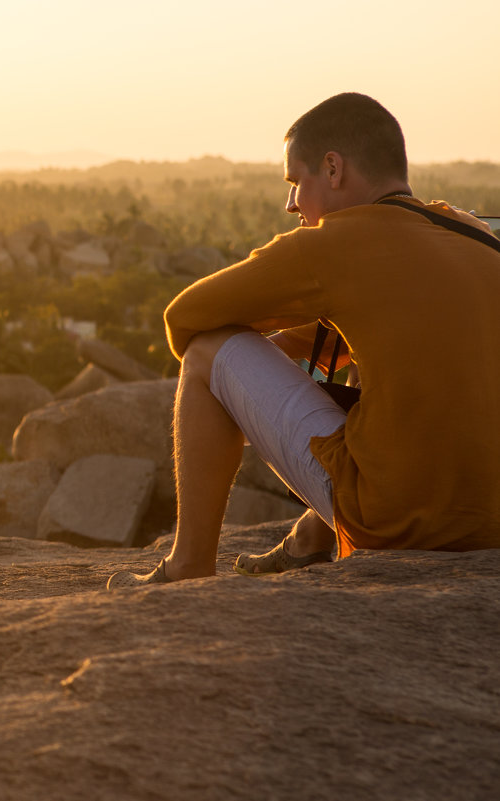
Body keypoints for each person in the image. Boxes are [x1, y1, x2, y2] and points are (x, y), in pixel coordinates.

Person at [108, 92, 500, 589]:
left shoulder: (331, 247)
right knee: (377, 377)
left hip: (397, 524)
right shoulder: (475, 234)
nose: (291, 203)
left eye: (296, 182)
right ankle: (310, 540)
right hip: (492, 527)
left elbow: (184, 318)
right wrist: (316, 331)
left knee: (208, 352)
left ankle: (187, 568)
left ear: (333, 169)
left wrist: (251, 381)